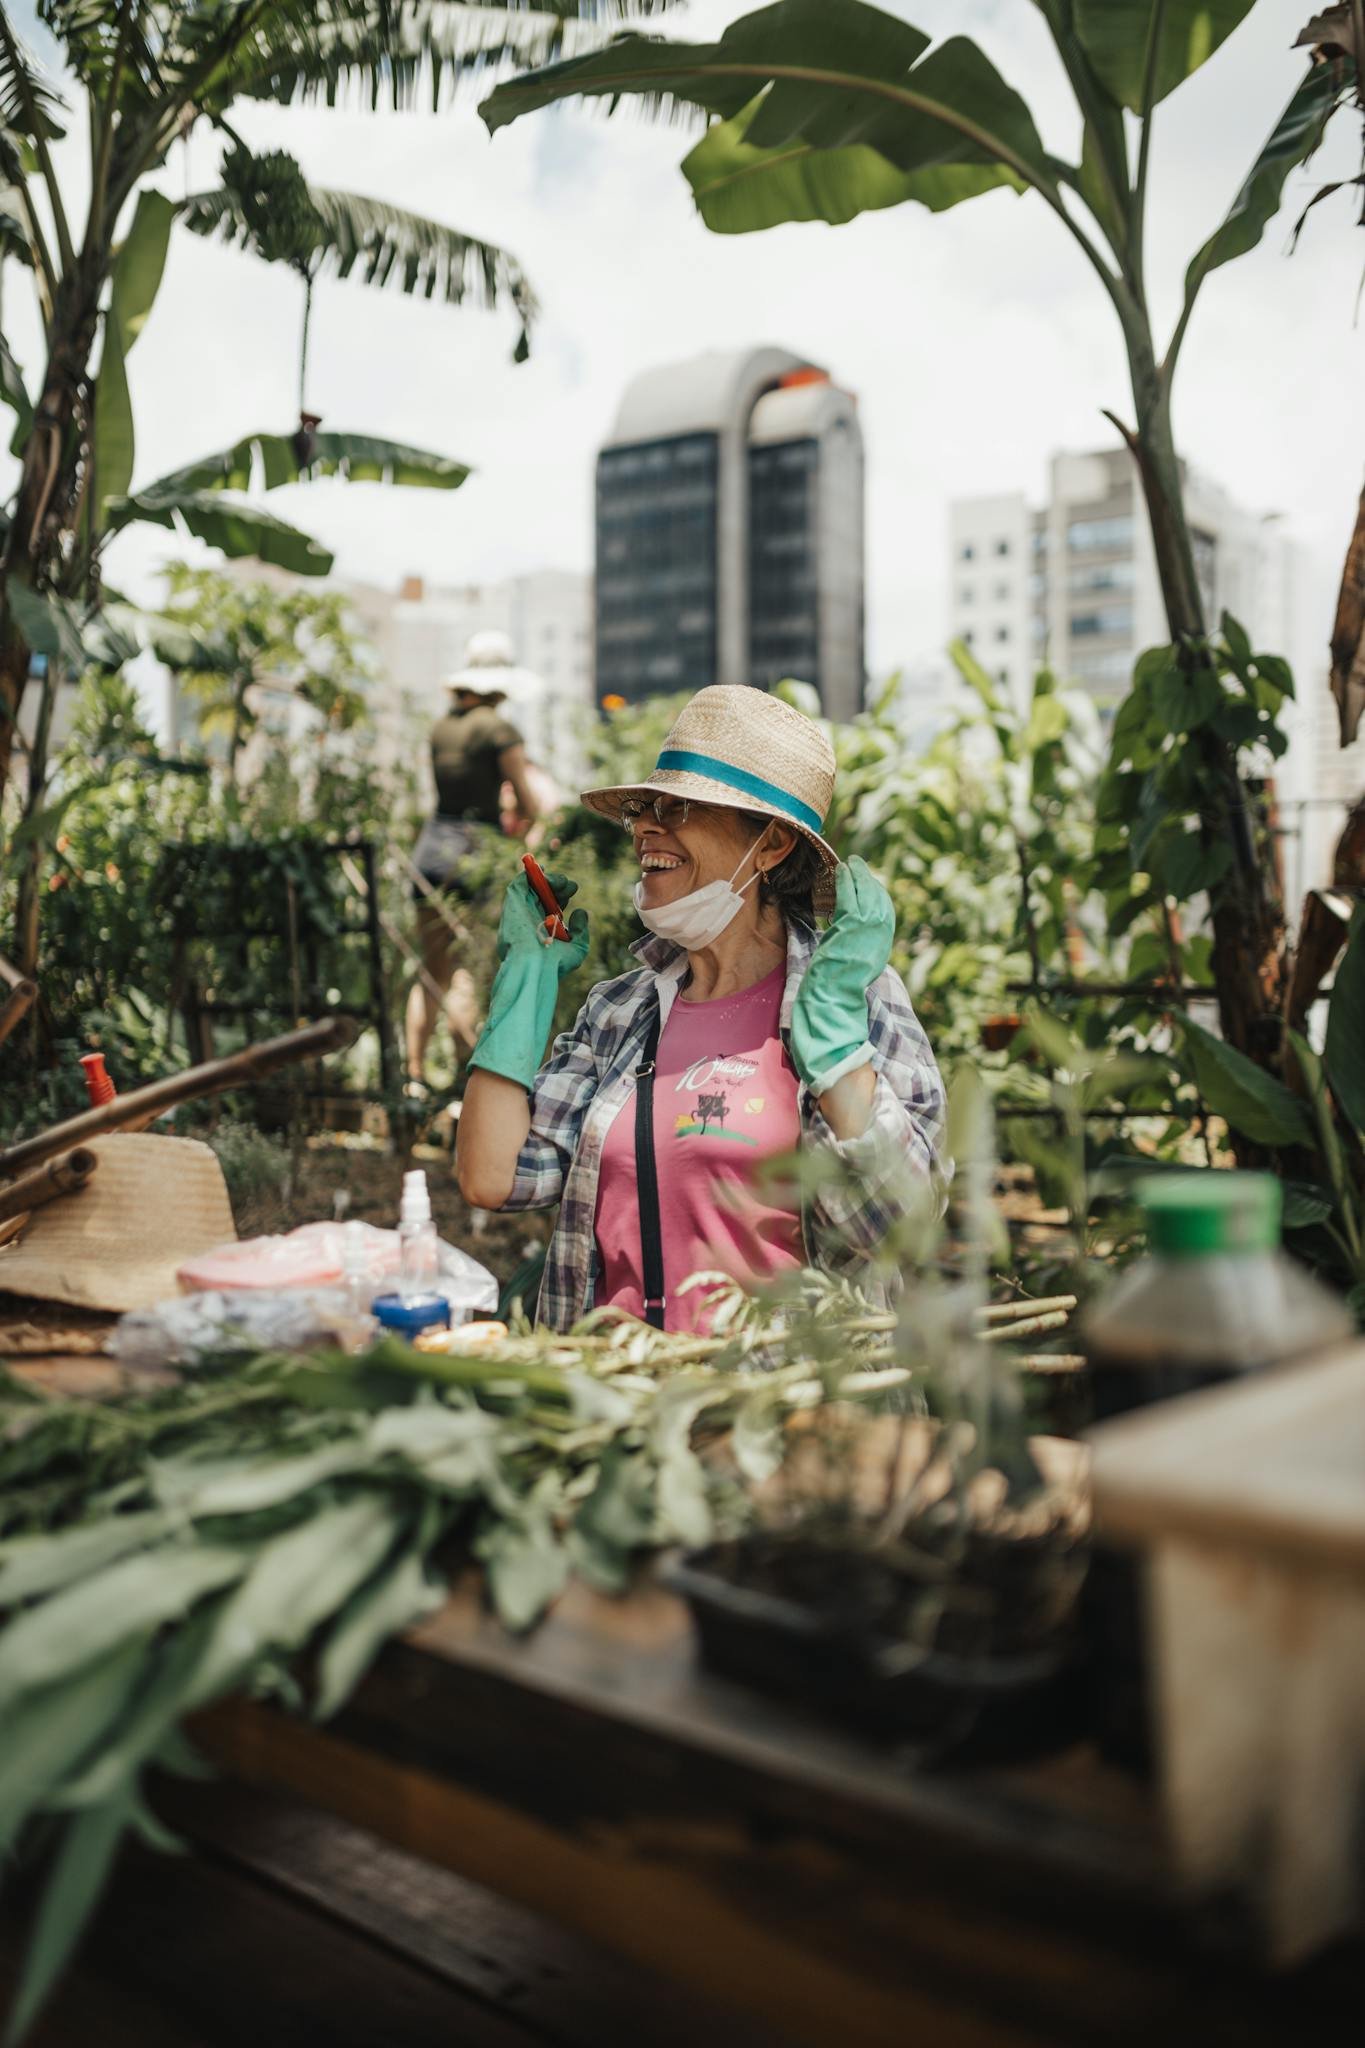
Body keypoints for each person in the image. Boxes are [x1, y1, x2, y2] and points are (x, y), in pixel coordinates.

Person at [456, 684, 946, 1333]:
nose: (644, 827)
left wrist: (833, 1050)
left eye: (677, 807)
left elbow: (899, 1228)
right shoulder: (620, 1011)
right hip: (624, 1400)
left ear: (770, 845)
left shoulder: (859, 999)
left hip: (788, 1410)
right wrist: (523, 984)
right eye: (643, 809)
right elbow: (494, 1178)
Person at [405, 632, 544, 1086]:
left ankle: (414, 1074)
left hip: (430, 850)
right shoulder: (499, 730)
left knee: (432, 969)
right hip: (475, 856)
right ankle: (463, 1080)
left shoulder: (440, 728)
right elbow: (529, 802)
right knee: (468, 967)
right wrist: (520, 823)